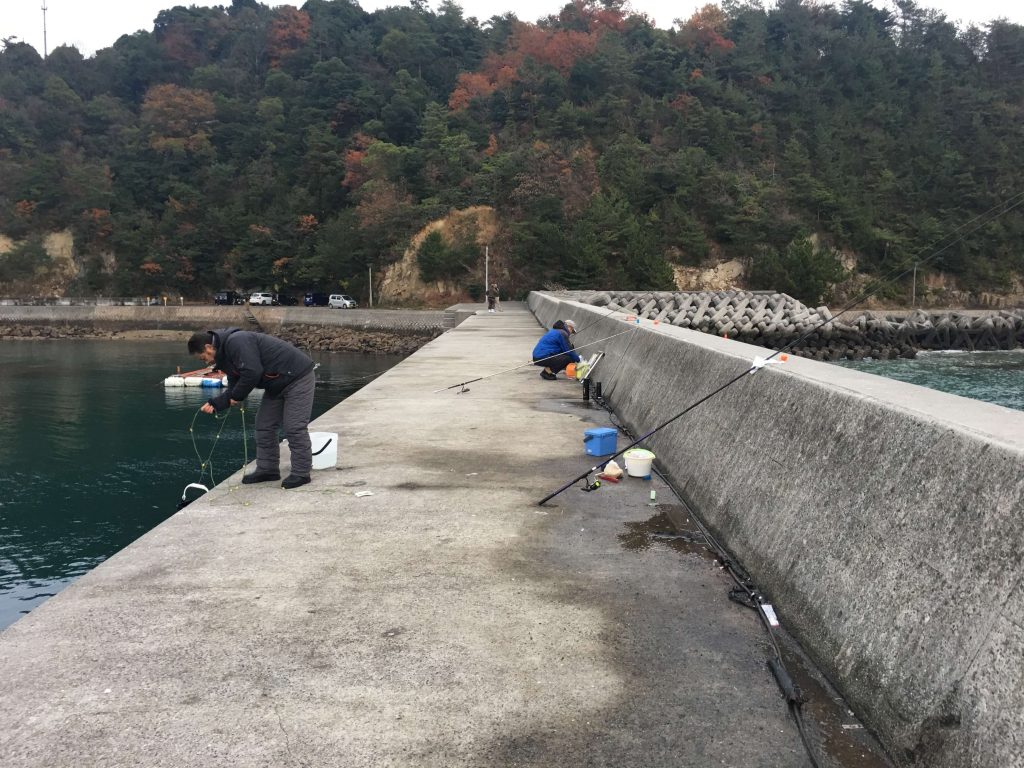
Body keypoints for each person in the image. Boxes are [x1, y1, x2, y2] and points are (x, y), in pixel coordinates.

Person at [188, 328, 316, 489]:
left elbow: (252, 372)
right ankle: (267, 469)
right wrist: (217, 403)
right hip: (276, 383)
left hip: (297, 377)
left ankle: (301, 473)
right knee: (264, 425)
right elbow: (235, 385)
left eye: (203, 358)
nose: (206, 362)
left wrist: (237, 396)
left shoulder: (237, 341)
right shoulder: (225, 356)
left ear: (208, 347)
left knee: (294, 427)